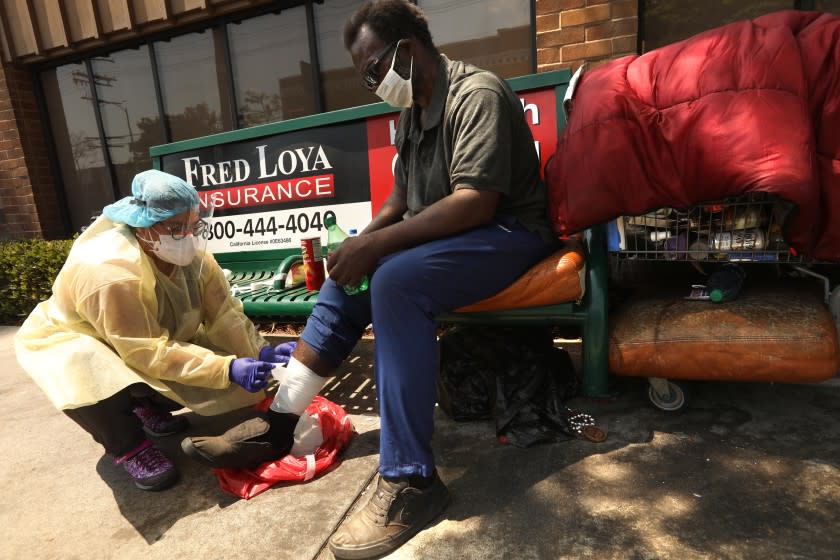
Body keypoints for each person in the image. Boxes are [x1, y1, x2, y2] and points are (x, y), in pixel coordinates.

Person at [180, 0, 557, 557]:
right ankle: (281, 422)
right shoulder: (412, 115)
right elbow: (402, 202)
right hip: (458, 238)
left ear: (407, 50)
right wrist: (359, 246)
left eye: (373, 69)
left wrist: (379, 246)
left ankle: (412, 481)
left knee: (394, 282)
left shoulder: (475, 94)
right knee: (350, 278)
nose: (373, 83)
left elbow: (477, 202)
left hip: (508, 233)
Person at [14, 169, 295, 492]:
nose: (187, 237)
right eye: (176, 228)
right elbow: (144, 350)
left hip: (137, 339)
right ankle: (128, 445)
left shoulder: (194, 257)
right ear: (140, 224)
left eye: (193, 225)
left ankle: (147, 405)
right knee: (87, 368)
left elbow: (224, 313)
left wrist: (259, 350)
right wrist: (225, 368)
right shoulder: (110, 271)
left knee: (201, 353)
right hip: (71, 341)